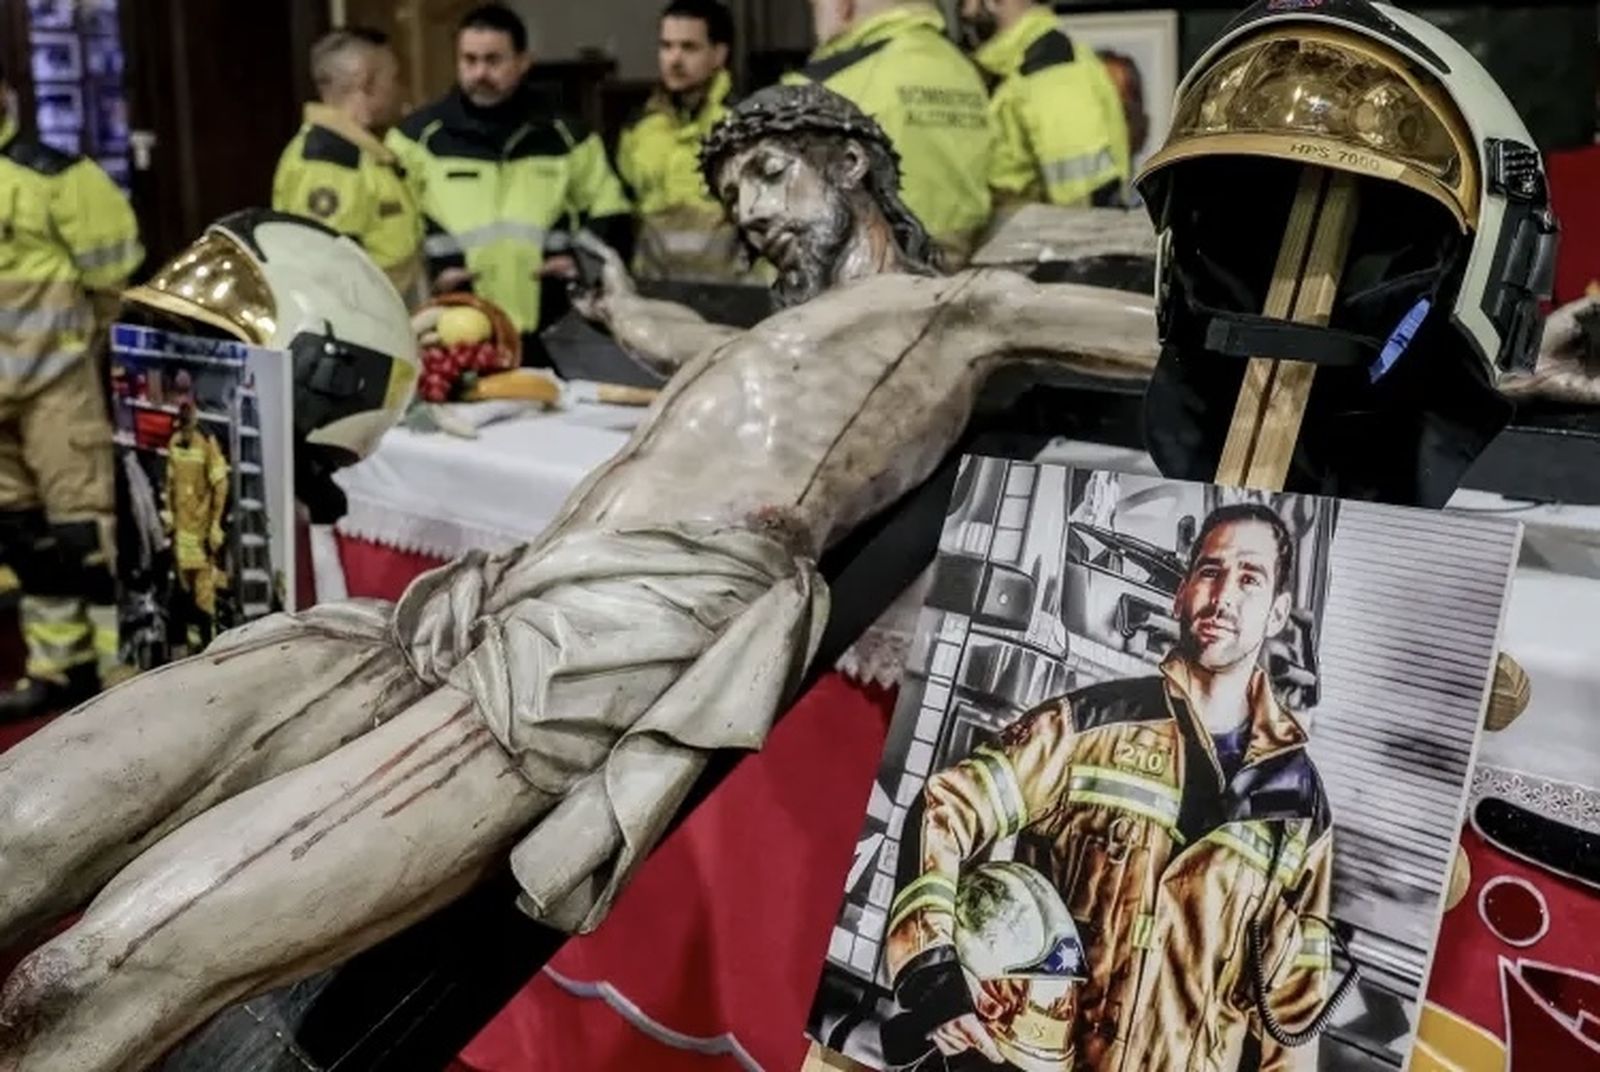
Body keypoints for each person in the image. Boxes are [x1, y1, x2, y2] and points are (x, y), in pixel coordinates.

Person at [0, 84, 1161, 1072]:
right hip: (470, 609)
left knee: (95, 974)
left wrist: (1251, 293)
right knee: (27, 821)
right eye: (735, 194)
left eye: (768, 175)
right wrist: (606, 298)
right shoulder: (757, 341)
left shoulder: (955, 309)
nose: (752, 213)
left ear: (851, 162)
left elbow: (1153, 328)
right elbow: (659, 330)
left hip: (581, 653)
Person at [888, 503, 1335, 1071]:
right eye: (1209, 571)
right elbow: (947, 806)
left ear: (1277, 613)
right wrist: (935, 975)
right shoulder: (1086, 728)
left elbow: (1295, 1006)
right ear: (1181, 595)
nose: (1223, 596)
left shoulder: (1298, 802)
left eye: (1249, 578)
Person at [0, 61, 142, 720]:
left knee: (88, 534)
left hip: (55, 385)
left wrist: (87, 343)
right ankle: (58, 666)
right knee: (21, 537)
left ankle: (121, 671)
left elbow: (114, 274)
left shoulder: (58, 177)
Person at [387, 3, 633, 361]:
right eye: (469, 60)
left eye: (493, 60)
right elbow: (393, 231)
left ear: (523, 61)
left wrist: (577, 262)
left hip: (553, 327)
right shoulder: (415, 141)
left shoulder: (566, 137)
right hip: (452, 328)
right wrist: (430, 275)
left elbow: (612, 211)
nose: (479, 72)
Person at [789, 0, 992, 266]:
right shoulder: (964, 70)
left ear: (842, 6)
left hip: (866, 279)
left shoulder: (820, 88)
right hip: (959, 270)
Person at [272, 27, 424, 304]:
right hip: (363, 324)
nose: (400, 89)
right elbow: (328, 278)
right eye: (394, 78)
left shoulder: (363, 154)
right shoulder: (330, 160)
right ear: (367, 83)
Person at [616, 0, 752, 283]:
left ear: (719, 54)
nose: (675, 59)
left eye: (689, 47)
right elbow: (622, 214)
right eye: (667, 46)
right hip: (653, 293)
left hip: (733, 294)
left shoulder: (746, 126)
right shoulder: (638, 129)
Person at [958, 0, 1129, 218]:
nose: (964, 11)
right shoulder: (1016, 68)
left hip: (1040, 236)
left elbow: (1083, 204)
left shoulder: (1049, 71)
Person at [161, 397, 230, 651]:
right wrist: (168, 512)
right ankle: (192, 650)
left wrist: (216, 524)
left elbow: (220, 484)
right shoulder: (174, 443)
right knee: (183, 595)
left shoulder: (207, 444)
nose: (185, 431)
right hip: (181, 535)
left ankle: (209, 649)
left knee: (204, 598)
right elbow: (169, 484)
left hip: (201, 535)